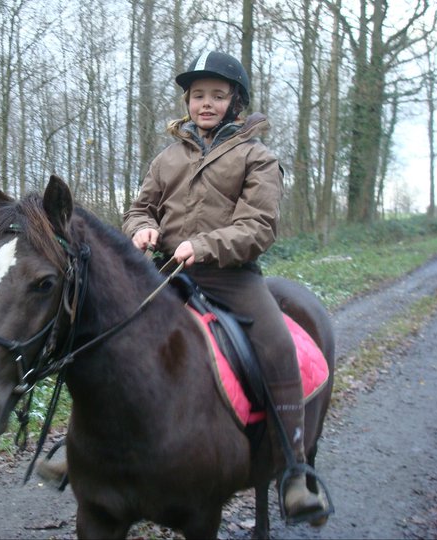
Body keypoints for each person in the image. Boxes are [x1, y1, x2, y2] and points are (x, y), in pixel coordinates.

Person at [122, 50, 326, 522]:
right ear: (188, 102)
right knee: (111, 334)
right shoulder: (167, 158)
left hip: (232, 277)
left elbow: (258, 226)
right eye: (198, 95)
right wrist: (141, 228)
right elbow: (140, 207)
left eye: (217, 94)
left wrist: (204, 243)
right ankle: (88, 446)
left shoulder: (258, 157)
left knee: (277, 346)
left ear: (235, 101)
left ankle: (294, 468)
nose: (206, 103)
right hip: (167, 272)